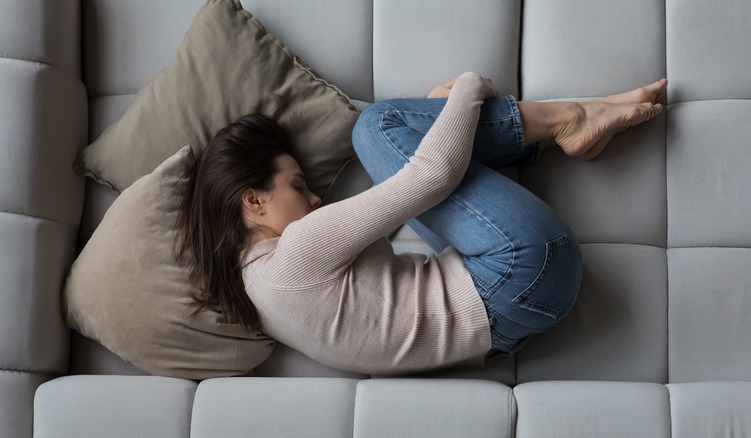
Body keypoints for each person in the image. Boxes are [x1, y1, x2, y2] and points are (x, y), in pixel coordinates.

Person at [177, 72, 666, 374]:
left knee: (404, 143)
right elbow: (430, 178)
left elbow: (391, 207)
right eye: (297, 185)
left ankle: (575, 121)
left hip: (507, 326)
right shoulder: (299, 249)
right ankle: (573, 116)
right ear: (254, 201)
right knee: (377, 127)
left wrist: (437, 125)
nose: (316, 196)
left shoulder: (254, 292)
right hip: (524, 269)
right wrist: (471, 87)